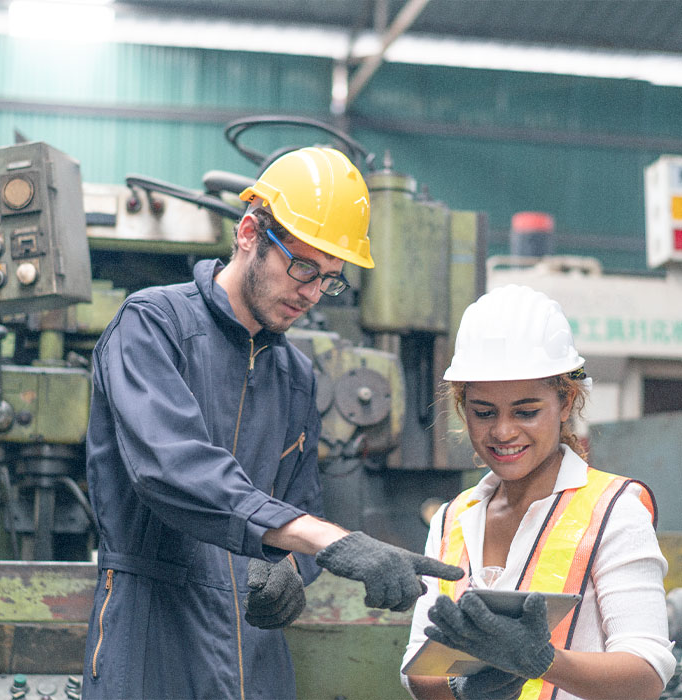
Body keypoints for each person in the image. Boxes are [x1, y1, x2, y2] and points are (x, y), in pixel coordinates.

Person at [82, 146, 463, 700]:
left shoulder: (296, 377)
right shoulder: (151, 326)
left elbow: (297, 508)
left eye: (330, 279)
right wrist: (327, 541)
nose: (311, 293)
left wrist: (289, 568)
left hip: (252, 659)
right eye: (303, 266)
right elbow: (172, 468)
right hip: (151, 641)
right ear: (248, 233)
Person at [401, 284, 675, 700]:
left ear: (565, 402)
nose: (503, 431)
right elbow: (417, 669)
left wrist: (542, 661)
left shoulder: (614, 510)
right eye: (483, 412)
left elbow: (647, 672)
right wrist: (462, 688)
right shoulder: (452, 519)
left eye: (526, 411)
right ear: (462, 406)